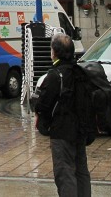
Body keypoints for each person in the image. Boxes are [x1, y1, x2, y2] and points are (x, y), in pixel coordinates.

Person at [34, 33, 93, 197]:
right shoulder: (80, 73)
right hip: (80, 132)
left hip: (61, 133)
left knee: (65, 174)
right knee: (81, 172)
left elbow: (42, 105)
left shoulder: (54, 76)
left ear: (54, 52)